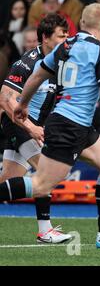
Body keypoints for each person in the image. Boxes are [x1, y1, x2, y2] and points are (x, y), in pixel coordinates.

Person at [0, 3, 100, 251]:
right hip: (68, 125)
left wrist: (22, 103)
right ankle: (51, 230)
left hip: (77, 125)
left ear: (80, 25)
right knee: (40, 185)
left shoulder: (65, 46)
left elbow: (37, 76)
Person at [0, 14, 72, 243]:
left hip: (35, 126)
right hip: (17, 124)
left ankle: (45, 231)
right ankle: (45, 230)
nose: (66, 40)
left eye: (68, 35)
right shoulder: (27, 63)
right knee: (46, 173)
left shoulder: (63, 61)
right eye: (62, 36)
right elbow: (4, 98)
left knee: (8, 181)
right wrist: (30, 127)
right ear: (45, 38)